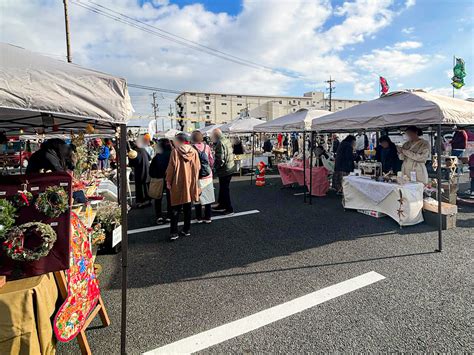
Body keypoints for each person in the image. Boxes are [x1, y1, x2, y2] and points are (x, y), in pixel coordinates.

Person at [166, 133, 201, 241]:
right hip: (190, 183)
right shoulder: (194, 151)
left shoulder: (175, 152)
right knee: (188, 207)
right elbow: (198, 167)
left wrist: (168, 181)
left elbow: (171, 169)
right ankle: (187, 229)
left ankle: (174, 232)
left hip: (178, 183)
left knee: (175, 208)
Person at [191, 130, 215, 223]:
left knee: (197, 197)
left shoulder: (191, 148)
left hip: (196, 176)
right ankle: (208, 217)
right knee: (208, 197)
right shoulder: (207, 147)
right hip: (207, 175)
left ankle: (199, 217)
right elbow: (211, 161)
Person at [211, 128, 235, 214]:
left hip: (225, 169)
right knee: (223, 188)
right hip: (230, 167)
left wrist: (215, 168)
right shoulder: (226, 140)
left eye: (212, 135)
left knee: (224, 189)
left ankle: (229, 208)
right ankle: (221, 204)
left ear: (215, 135)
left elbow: (220, 160)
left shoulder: (219, 143)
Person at [149, 138, 172, 224]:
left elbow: (151, 171)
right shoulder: (173, 154)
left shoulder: (157, 156)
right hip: (171, 179)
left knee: (158, 198)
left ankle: (159, 216)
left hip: (159, 179)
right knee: (171, 198)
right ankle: (170, 215)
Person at [128, 141, 151, 207]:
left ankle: (141, 202)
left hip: (139, 172)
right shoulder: (143, 150)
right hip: (146, 170)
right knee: (146, 187)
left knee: (140, 188)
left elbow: (131, 164)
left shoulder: (132, 153)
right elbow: (149, 158)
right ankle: (148, 201)